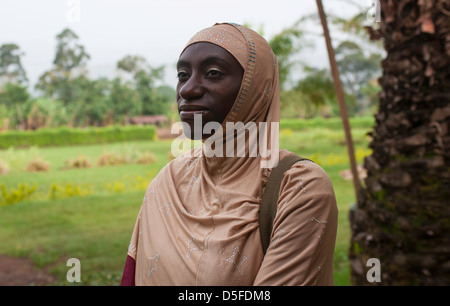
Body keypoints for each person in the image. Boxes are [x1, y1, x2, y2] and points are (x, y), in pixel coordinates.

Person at [120, 22, 338, 286]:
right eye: (182, 74)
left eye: (212, 73)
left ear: (256, 87)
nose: (188, 90)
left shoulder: (297, 187)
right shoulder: (169, 181)